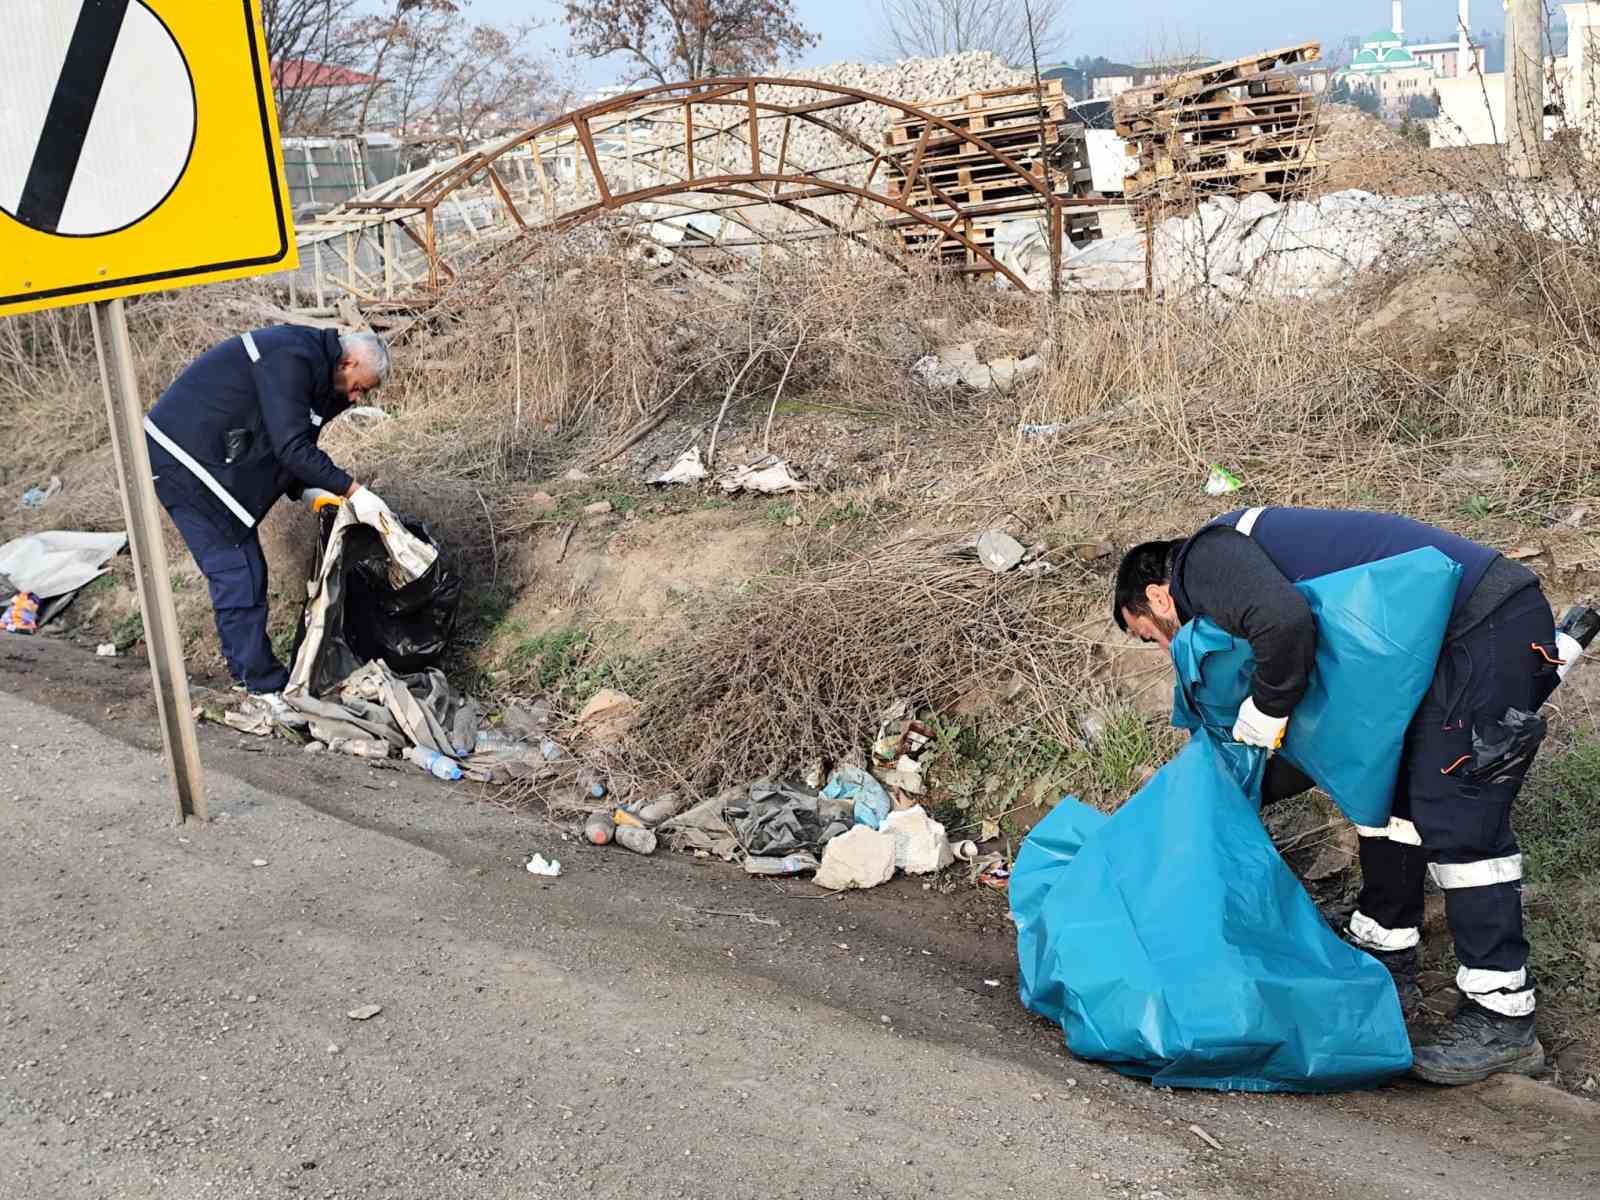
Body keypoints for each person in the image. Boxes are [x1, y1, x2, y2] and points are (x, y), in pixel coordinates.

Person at [1111, 506, 1582, 1086]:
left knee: (1457, 813)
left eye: (1149, 636)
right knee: (1387, 786)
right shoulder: (1251, 565)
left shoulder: (1202, 560)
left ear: (1158, 598)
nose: (1166, 650)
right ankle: (1386, 946)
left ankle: (1503, 1015)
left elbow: (1284, 626)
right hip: (1443, 638)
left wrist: (1266, 710)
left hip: (1482, 626)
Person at [144, 326, 396, 699]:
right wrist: (353, 491)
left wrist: (307, 489)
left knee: (244, 569)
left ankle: (252, 676)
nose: (359, 398)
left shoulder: (319, 373)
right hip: (185, 459)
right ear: (349, 362)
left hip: (205, 461)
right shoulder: (293, 356)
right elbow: (290, 447)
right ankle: (259, 686)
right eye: (362, 386)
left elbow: (290, 441)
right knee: (238, 570)